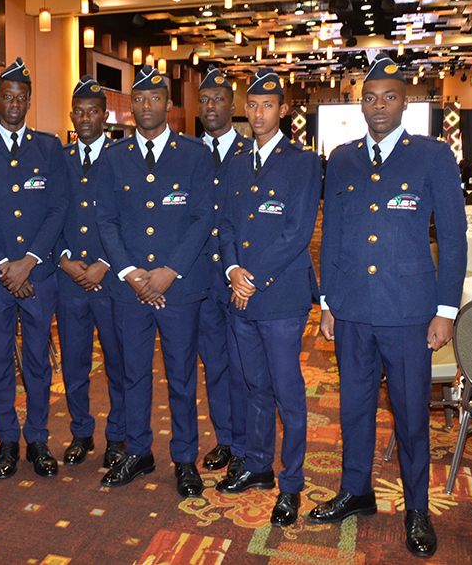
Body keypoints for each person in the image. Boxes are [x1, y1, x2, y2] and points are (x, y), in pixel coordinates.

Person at [314, 57, 467, 557]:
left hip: (408, 311)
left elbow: (453, 237)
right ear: (360, 104)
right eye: (370, 98)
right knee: (354, 407)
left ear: (405, 103)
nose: (379, 106)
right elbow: (332, 235)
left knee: (410, 415)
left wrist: (446, 309)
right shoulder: (342, 158)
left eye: (389, 97)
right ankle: (356, 490)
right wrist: (328, 302)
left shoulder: (432, 156)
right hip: (353, 308)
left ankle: (417, 508)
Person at [96, 65, 215, 499]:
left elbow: (202, 218)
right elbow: (106, 220)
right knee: (132, 374)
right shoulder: (113, 156)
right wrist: (130, 273)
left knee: (182, 377)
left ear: (169, 104)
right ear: (131, 106)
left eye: (155, 98)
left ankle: (185, 459)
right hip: (129, 289)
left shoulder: (195, 154)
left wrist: (169, 271)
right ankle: (139, 451)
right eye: (139, 99)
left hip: (178, 288)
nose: (147, 105)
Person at [216, 69, 321, 528]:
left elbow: (297, 232)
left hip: (280, 297)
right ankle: (259, 466)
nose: (259, 113)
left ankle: (291, 483)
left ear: (283, 109)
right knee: (253, 386)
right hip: (241, 295)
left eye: (268, 105)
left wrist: (252, 276)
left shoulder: (302, 161)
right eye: (253, 105)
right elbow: (225, 225)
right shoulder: (236, 160)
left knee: (286, 392)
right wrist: (233, 270)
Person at [0, 58, 67, 480]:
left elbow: (57, 208)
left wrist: (30, 261)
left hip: (39, 275)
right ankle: (7, 439)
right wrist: (6, 266)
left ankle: (37, 437)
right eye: (8, 97)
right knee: (0, 359)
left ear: (29, 101)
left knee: (38, 359)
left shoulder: (49, 147)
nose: (15, 104)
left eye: (22, 98)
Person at [55, 75, 127, 469]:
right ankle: (81, 432)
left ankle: (117, 436)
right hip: (69, 281)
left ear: (105, 116)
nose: (85, 118)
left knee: (117, 362)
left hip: (110, 280)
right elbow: (47, 215)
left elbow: (132, 219)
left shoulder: (122, 157)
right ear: (72, 115)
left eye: (93, 112)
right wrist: (62, 259)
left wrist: (105, 262)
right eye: (79, 112)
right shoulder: (59, 158)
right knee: (74, 364)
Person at [196, 65, 250, 477]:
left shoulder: (251, 152)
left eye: (219, 99)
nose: (211, 106)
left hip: (240, 278)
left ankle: (247, 444)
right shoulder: (185, 153)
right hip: (199, 279)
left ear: (234, 106)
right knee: (214, 364)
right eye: (204, 100)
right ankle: (226, 439)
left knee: (245, 367)